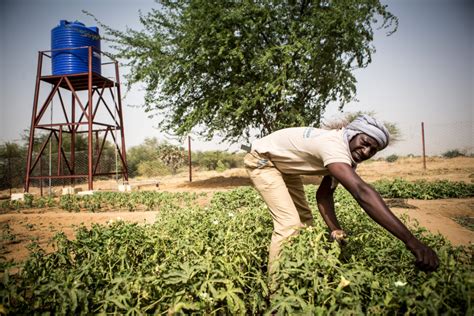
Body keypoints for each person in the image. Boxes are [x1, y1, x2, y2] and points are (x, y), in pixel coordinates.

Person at [244, 114, 439, 275]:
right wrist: (413, 242)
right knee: (289, 224)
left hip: (285, 167)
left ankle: (301, 271)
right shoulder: (333, 146)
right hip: (263, 160)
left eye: (372, 150)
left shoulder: (345, 156)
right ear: (353, 134)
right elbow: (362, 192)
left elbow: (324, 195)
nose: (365, 151)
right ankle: (277, 292)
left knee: (305, 222)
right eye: (365, 143)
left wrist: (335, 229)